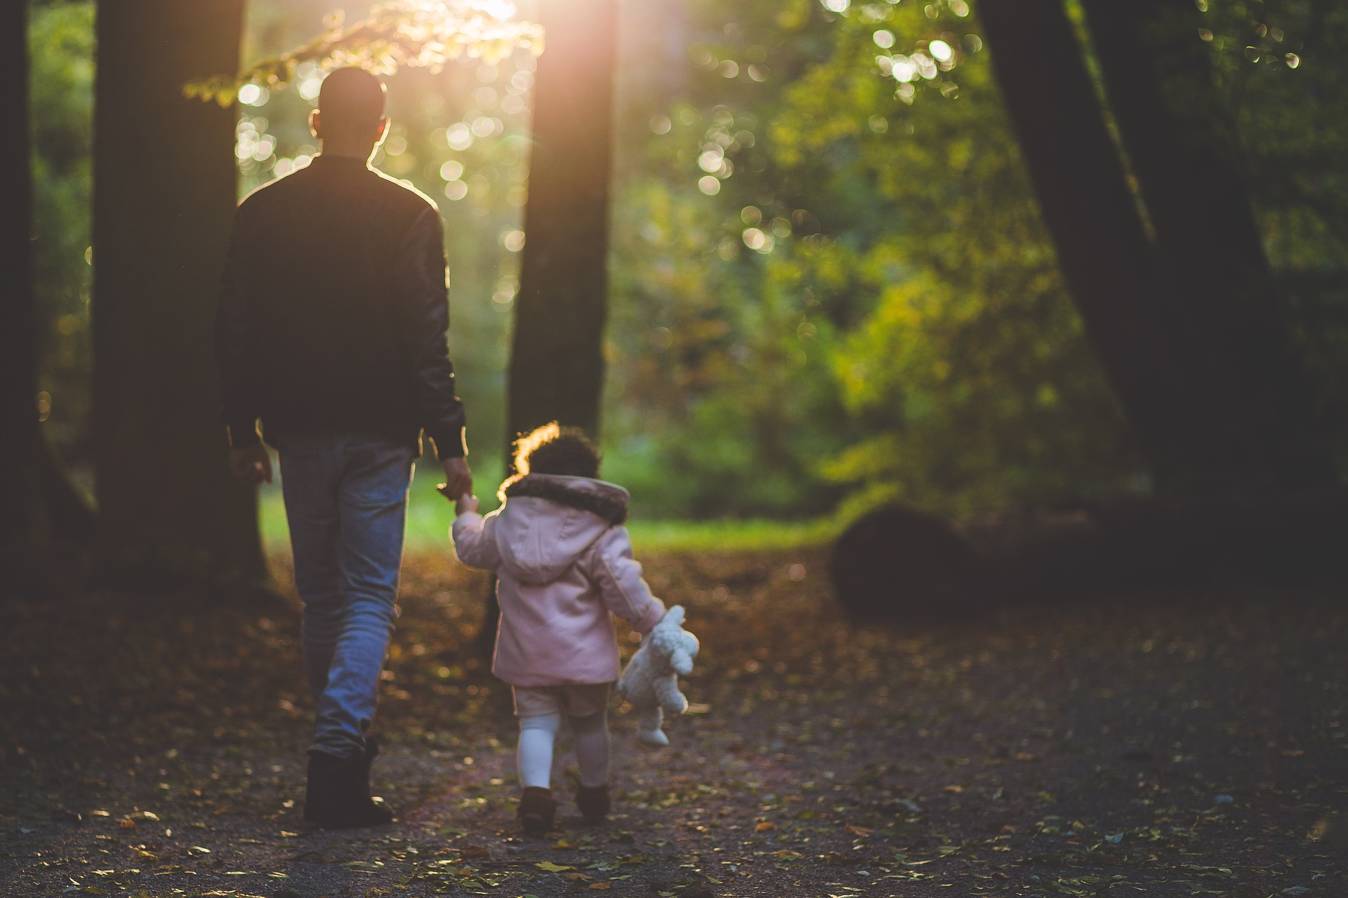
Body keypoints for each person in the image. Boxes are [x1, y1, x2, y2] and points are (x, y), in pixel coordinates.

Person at [215, 67, 472, 828]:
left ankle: (342, 761)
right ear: (383, 128)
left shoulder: (263, 212)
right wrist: (450, 440)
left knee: (324, 597)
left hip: (297, 431)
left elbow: (234, 328)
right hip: (383, 432)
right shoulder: (411, 214)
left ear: (317, 121)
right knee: (365, 598)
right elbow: (428, 337)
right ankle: (337, 762)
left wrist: (241, 430)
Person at [450, 423, 667, 835]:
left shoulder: (507, 521)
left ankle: (535, 795)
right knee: (589, 722)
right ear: (589, 475)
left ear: (531, 470)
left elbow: (472, 549)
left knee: (535, 724)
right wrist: (652, 622)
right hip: (585, 656)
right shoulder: (601, 528)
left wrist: (465, 515)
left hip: (526, 651)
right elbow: (623, 586)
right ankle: (594, 792)